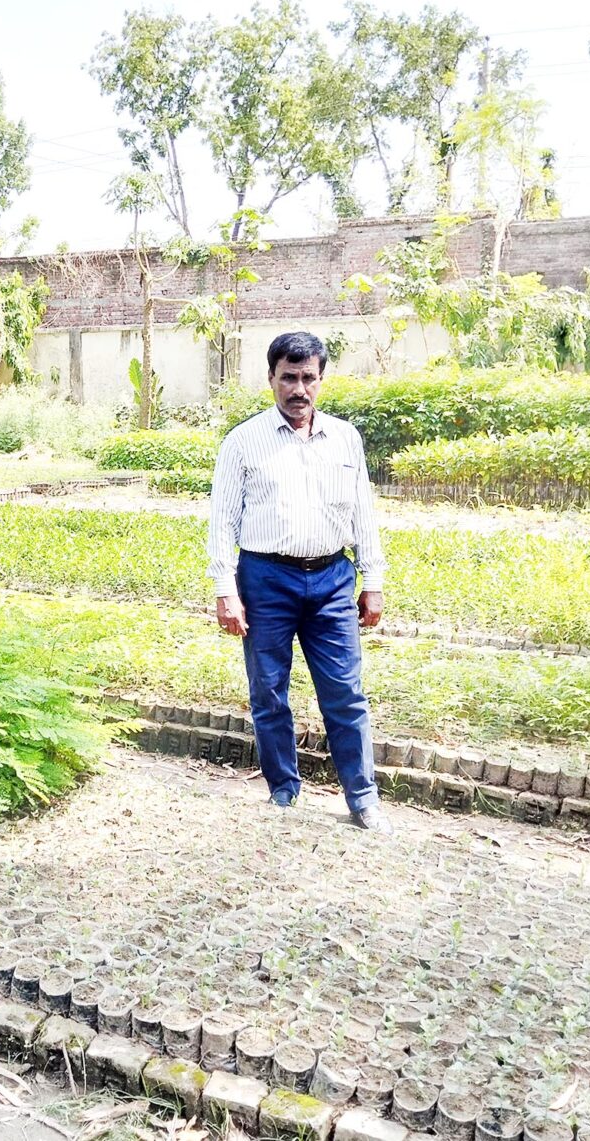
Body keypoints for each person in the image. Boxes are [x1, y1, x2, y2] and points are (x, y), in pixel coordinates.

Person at [206, 331, 393, 835]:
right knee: (268, 690)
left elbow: (363, 514)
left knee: (345, 692)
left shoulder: (345, 439)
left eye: (308, 377)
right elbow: (222, 521)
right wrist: (227, 591)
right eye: (288, 377)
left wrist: (372, 581)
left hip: (333, 579)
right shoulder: (243, 441)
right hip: (265, 578)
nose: (298, 389)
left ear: (321, 380)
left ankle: (362, 797)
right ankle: (283, 788)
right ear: (271, 379)